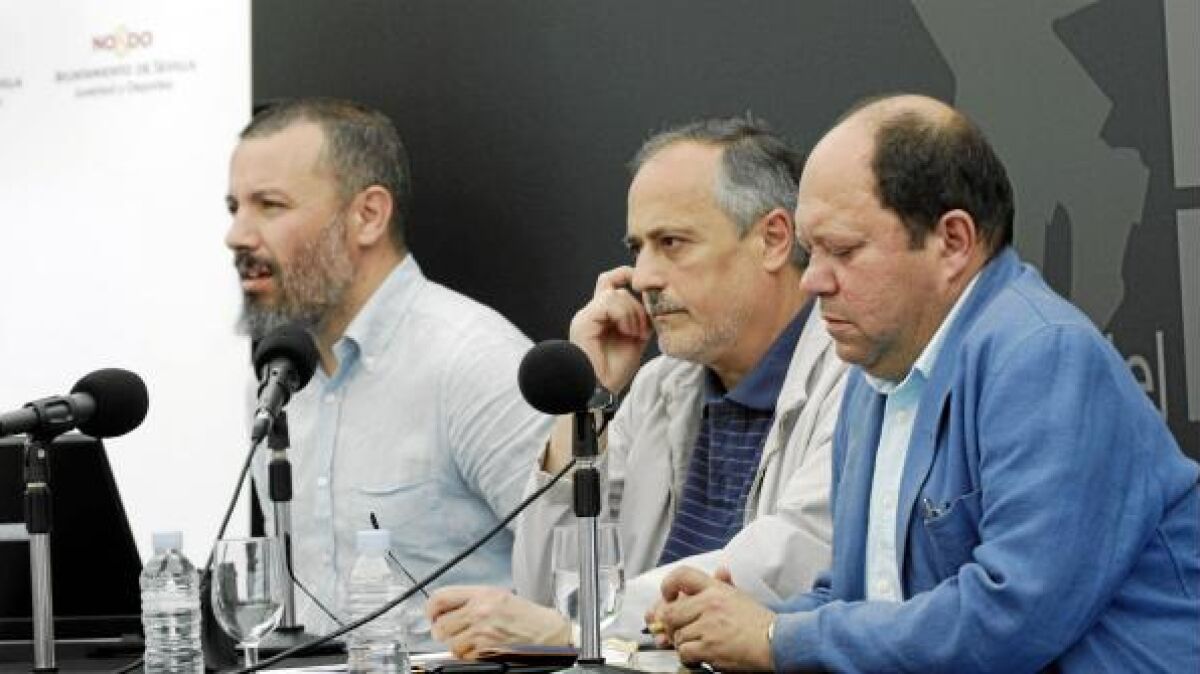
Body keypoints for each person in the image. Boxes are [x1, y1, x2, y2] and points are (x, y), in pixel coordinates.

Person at [647, 94, 1200, 672]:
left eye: (843, 250)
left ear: (952, 242)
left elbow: (1009, 617)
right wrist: (737, 621)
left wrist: (776, 637)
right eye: (812, 252)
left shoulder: (1043, 355)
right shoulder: (872, 375)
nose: (812, 280)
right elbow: (861, 601)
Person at [427, 117, 847, 657]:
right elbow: (546, 590)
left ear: (772, 240)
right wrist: (588, 399)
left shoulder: (849, 376)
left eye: (672, 243)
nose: (644, 276)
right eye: (638, 248)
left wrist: (579, 632)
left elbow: (790, 562)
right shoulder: (658, 387)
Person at [224, 98, 553, 642]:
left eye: (270, 206)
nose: (237, 234)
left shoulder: (472, 360)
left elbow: (575, 578)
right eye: (234, 207)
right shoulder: (278, 378)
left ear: (368, 216)